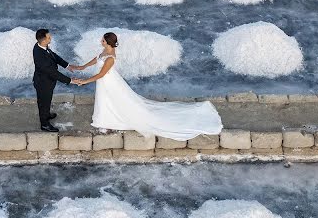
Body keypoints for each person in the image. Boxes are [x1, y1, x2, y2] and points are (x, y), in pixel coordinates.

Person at [72, 32, 222, 139]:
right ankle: (105, 120)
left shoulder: (111, 57)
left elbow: (101, 74)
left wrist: (85, 81)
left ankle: (106, 121)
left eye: (103, 40)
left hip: (107, 81)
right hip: (105, 81)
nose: (101, 42)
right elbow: (96, 59)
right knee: (107, 100)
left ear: (108, 42)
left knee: (109, 99)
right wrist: (82, 67)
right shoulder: (106, 50)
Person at [33, 28, 78, 132]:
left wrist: (67, 65)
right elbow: (53, 73)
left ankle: (47, 114)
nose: (51, 38)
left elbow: (54, 56)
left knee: (47, 100)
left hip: (48, 81)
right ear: (43, 40)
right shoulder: (39, 56)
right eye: (49, 37)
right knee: (43, 102)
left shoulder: (41, 45)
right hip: (43, 83)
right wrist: (70, 80)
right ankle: (44, 124)